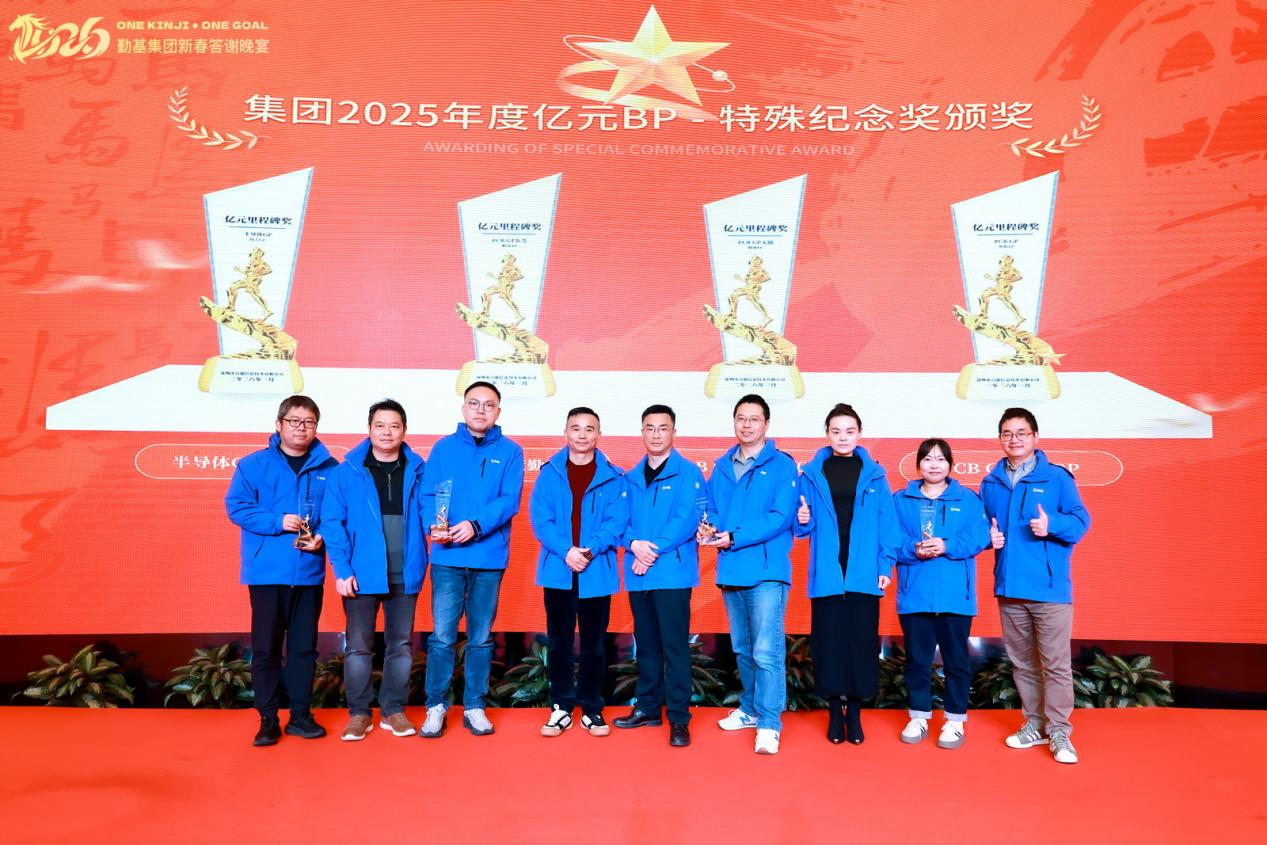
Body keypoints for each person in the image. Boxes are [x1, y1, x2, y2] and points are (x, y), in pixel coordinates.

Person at [226, 394, 337, 746]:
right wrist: (278, 521)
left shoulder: (331, 468)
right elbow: (237, 507)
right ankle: (268, 719)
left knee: (304, 649)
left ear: (316, 427)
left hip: (308, 572)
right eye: (294, 421)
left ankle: (301, 716)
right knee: (266, 649)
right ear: (279, 424)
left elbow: (337, 515)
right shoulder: (252, 465)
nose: (301, 428)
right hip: (266, 573)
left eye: (309, 422)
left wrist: (322, 536)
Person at [981, 407, 1090, 764]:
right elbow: (982, 528)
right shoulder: (991, 482)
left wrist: (1052, 525)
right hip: (1009, 588)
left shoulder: (1057, 478)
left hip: (1049, 590)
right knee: (1023, 664)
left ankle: (1059, 731)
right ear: (1000, 439)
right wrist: (986, 538)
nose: (1014, 439)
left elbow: (1081, 522)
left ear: (1035, 437)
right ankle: (1034, 724)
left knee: (1055, 665)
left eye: (1021, 433)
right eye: (1007, 433)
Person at [420, 381, 525, 738]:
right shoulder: (443, 448)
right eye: (474, 403)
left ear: (498, 411)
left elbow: (509, 500)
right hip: (447, 556)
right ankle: (436, 705)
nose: (481, 410)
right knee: (442, 637)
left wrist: (475, 525)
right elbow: (428, 495)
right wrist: (433, 525)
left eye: (489, 405)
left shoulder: (511, 452)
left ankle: (475, 706)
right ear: (463, 408)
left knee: (480, 638)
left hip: (489, 558)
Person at [322, 399, 428, 741]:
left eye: (394, 426)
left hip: (405, 572)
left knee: (401, 646)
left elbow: (433, 512)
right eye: (380, 425)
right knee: (358, 647)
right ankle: (359, 714)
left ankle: (393, 711)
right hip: (361, 573)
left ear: (404, 430)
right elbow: (332, 523)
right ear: (369, 429)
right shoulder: (346, 472)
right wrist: (342, 569)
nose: (386, 432)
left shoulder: (419, 470)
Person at [794, 403, 898, 745]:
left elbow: (888, 525)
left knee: (861, 645)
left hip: (863, 574)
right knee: (828, 646)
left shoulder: (876, 475)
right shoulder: (811, 473)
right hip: (827, 573)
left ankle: (854, 713)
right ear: (827, 433)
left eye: (849, 431)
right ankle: (834, 712)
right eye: (836, 431)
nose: (843, 437)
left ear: (859, 434)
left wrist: (885, 565)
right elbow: (799, 525)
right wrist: (802, 520)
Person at [706, 394, 798, 755]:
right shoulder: (721, 465)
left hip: (766, 572)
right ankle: (750, 709)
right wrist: (710, 528)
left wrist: (734, 536)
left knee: (766, 650)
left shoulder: (783, 466)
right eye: (741, 418)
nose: (746, 425)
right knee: (743, 648)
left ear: (766, 425)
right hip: (731, 569)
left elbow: (780, 517)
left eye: (754, 419)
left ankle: (770, 723)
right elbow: (712, 509)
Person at [531, 407, 628, 738]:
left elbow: (617, 521)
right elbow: (541, 520)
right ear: (566, 433)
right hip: (559, 569)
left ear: (599, 434)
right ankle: (560, 706)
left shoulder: (613, 476)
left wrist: (588, 550)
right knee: (559, 642)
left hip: (595, 569)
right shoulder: (550, 473)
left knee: (594, 644)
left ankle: (590, 706)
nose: (582, 434)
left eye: (589, 429)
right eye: (576, 428)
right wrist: (567, 551)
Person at [614, 404, 705, 747]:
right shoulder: (629, 478)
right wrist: (633, 544)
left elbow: (687, 519)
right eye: (650, 428)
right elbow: (618, 521)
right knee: (647, 646)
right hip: (638, 574)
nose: (656, 434)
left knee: (675, 647)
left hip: (672, 573)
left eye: (662, 428)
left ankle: (679, 718)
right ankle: (648, 708)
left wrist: (650, 551)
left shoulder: (689, 473)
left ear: (674, 432)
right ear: (642, 432)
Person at [892, 438, 990, 749]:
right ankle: (919, 716)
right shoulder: (900, 500)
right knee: (917, 661)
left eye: (940, 459)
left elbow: (980, 536)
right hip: (915, 595)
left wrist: (947, 545)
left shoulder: (968, 499)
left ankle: (954, 720)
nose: (934, 465)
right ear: (918, 464)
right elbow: (890, 539)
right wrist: (913, 549)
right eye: (928, 459)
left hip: (955, 597)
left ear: (950, 464)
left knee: (956, 661)